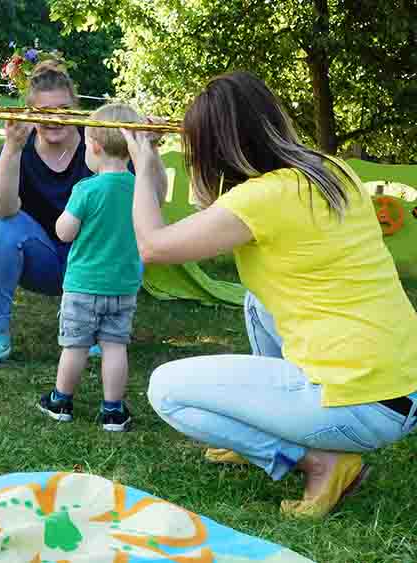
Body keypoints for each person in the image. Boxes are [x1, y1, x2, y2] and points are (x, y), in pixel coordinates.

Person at [123, 71, 417, 518]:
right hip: (401, 388)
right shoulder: (330, 170)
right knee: (257, 302)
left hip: (359, 405)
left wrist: (145, 166)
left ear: (216, 146)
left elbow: (153, 246)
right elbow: (210, 208)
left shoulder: (262, 199)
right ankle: (276, 427)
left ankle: (320, 461)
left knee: (166, 391)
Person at [0, 60, 101, 368]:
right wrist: (12, 149)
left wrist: (146, 151)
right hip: (39, 260)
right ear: (30, 113)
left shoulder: (99, 143)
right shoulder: (21, 145)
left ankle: (86, 321)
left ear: (77, 108)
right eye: (44, 112)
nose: (55, 119)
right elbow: (2, 208)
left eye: (63, 109)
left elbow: (143, 202)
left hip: (89, 261)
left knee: (120, 229)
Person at [37, 103, 143, 431]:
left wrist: (66, 218)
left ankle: (61, 400)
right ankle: (113, 410)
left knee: (75, 347)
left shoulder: (86, 189)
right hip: (123, 286)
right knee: (115, 347)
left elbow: (64, 231)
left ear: (94, 146)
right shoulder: (140, 189)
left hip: (83, 286)